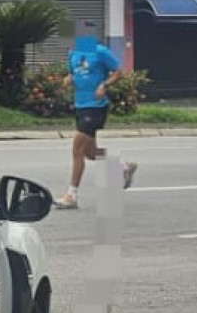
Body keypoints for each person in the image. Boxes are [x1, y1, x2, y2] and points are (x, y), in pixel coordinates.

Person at [55, 20, 137, 209]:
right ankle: (124, 166)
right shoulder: (73, 53)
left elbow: (118, 71)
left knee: (77, 149)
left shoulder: (100, 52)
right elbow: (73, 73)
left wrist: (104, 85)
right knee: (90, 153)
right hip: (80, 105)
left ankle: (71, 196)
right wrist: (68, 79)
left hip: (96, 106)